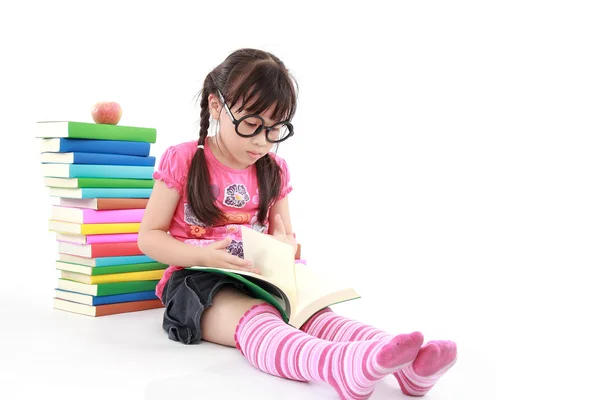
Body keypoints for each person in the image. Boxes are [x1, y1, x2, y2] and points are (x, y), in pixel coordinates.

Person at [137, 48, 457, 400]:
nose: (262, 141)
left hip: (262, 275)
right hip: (198, 281)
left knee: (316, 317)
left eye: (275, 129)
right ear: (217, 106)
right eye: (251, 124)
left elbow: (284, 234)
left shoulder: (272, 169)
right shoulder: (183, 159)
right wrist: (208, 258)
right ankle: (339, 367)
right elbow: (148, 238)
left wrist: (284, 246)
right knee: (259, 320)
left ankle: (406, 367)